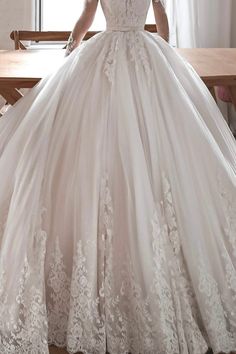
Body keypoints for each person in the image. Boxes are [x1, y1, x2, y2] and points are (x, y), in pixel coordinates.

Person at [0, 0, 236, 353]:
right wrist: (167, 49)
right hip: (146, 52)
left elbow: (86, 17)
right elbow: (161, 15)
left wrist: (71, 47)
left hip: (108, 51)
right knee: (154, 144)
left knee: (94, 141)